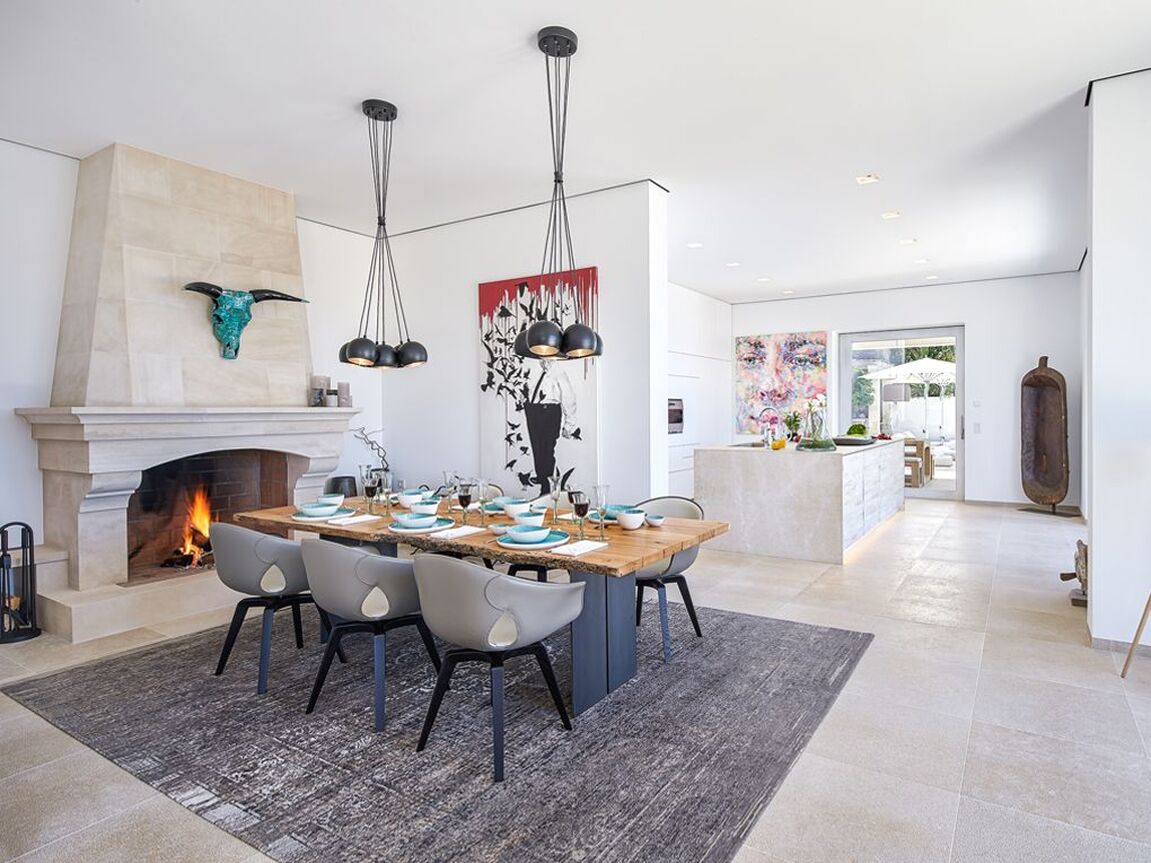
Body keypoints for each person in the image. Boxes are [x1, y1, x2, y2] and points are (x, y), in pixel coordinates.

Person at [522, 358, 577, 495]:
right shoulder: (534, 368)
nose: (542, 360)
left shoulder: (558, 371)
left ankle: (547, 489)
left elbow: (568, 397)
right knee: (537, 450)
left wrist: (569, 424)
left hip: (549, 412)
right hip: (533, 410)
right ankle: (543, 481)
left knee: (546, 451)